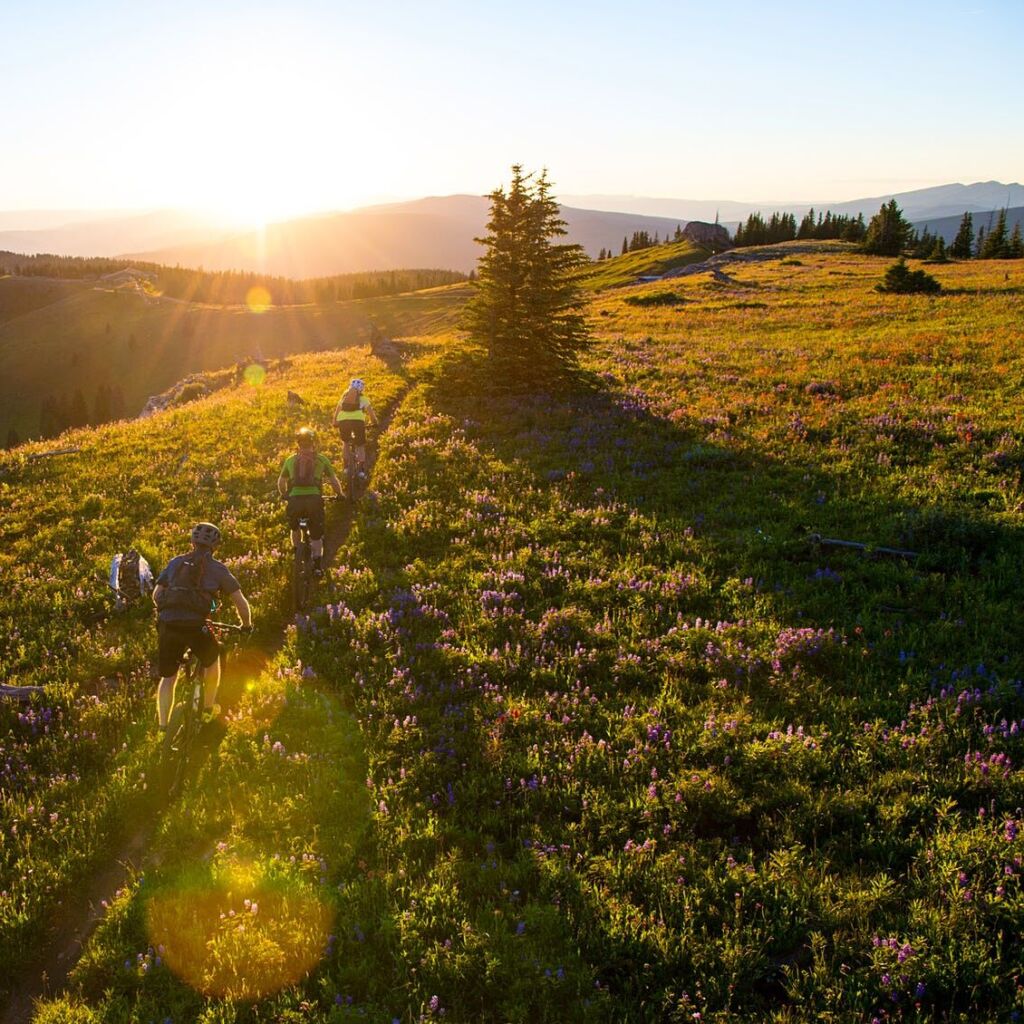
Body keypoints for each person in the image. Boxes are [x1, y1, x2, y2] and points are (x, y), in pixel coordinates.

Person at [153, 522, 252, 730]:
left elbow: (157, 595)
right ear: (215, 546)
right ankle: (208, 708)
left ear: (192, 541)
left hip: (168, 623)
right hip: (196, 625)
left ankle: (163, 726)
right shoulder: (218, 569)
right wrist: (246, 625)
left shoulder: (176, 562)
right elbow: (240, 603)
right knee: (212, 661)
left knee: (168, 677)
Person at [277, 426, 342, 574]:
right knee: (316, 535)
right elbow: (333, 480)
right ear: (314, 443)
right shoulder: (322, 460)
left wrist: (284, 494)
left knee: (294, 528)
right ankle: (317, 566)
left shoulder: (290, 460)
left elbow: (281, 482)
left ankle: (297, 552)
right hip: (314, 501)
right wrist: (340, 494)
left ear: (298, 444)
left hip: (295, 500)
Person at [333, 378, 378, 482]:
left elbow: (336, 412)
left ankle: (345, 467)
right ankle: (361, 471)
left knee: (345, 443)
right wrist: (375, 423)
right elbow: (371, 414)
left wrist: (335, 422)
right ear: (361, 389)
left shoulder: (344, 398)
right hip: (358, 422)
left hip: (343, 422)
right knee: (360, 445)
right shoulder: (363, 399)